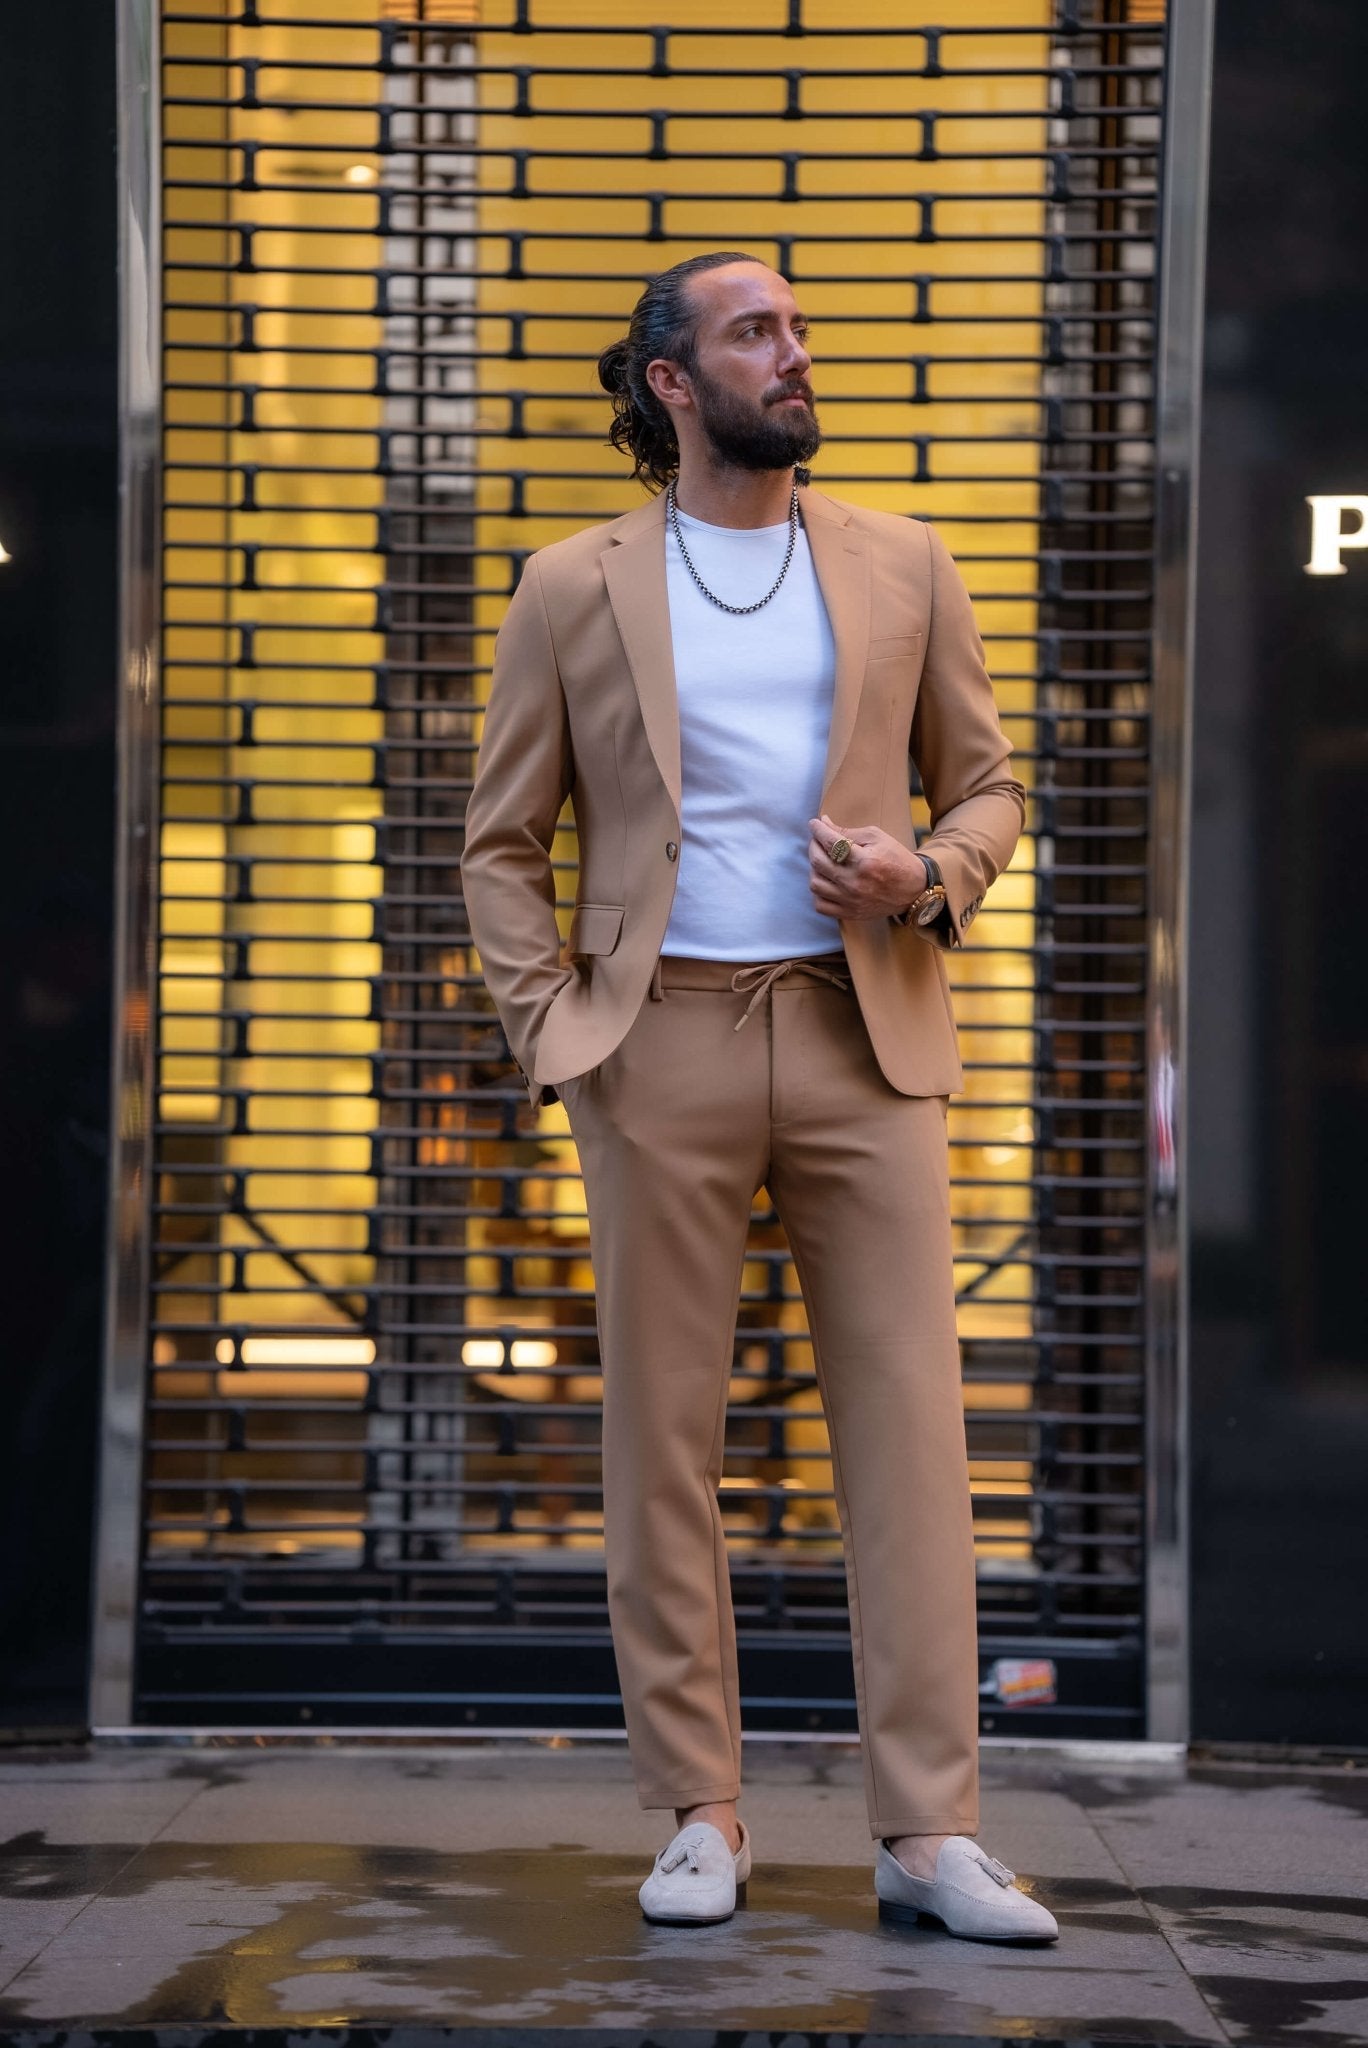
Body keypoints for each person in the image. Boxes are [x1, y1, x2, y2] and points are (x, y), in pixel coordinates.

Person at [460, 250, 1058, 1944]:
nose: (796, 353)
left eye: (798, 327)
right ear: (672, 380)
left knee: (912, 1440)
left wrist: (922, 873)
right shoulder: (573, 583)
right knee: (662, 1437)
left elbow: (993, 784)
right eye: (757, 333)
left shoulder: (901, 561)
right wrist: (554, 1033)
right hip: (663, 1041)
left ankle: (928, 1830)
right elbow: (502, 843)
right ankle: (699, 1812)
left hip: (868, 1036)